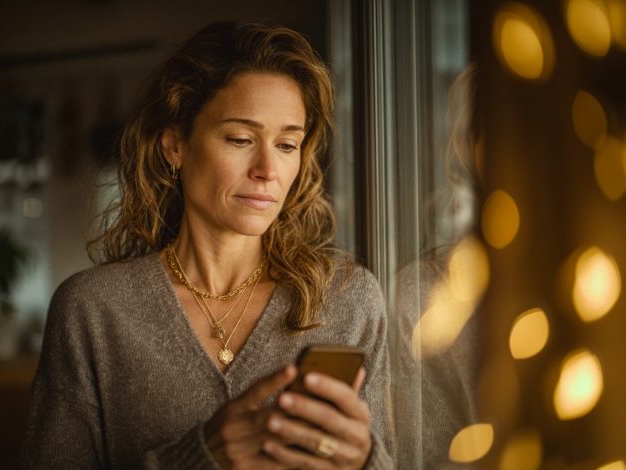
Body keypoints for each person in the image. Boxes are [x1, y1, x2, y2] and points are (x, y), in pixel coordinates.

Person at [21, 21, 393, 469]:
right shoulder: (93, 310)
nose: (267, 169)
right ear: (176, 146)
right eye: (239, 139)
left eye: (288, 144)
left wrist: (365, 460)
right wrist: (201, 456)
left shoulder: (348, 299)